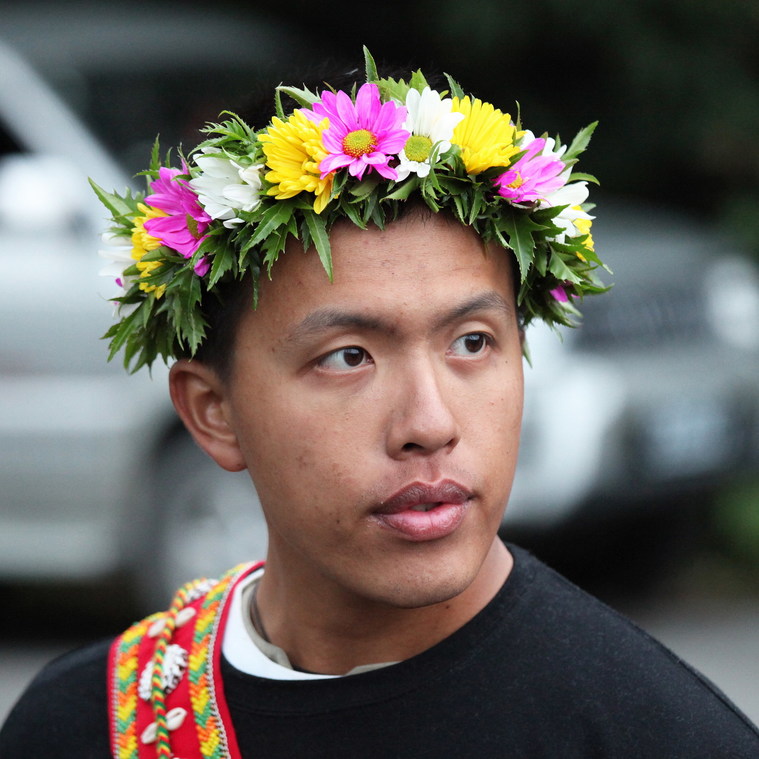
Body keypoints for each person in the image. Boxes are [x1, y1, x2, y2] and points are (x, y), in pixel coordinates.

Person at [2, 49, 758, 759]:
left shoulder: (652, 733)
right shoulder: (92, 725)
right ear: (212, 411)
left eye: (471, 342)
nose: (429, 424)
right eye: (347, 357)